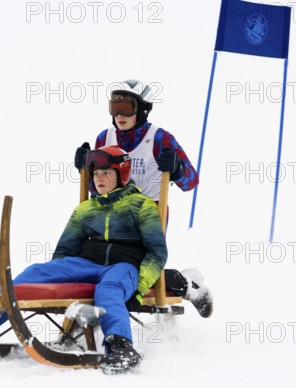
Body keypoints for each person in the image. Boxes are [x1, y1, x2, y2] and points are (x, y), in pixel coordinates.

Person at [0, 146, 166, 374]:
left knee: (110, 289)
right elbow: (66, 249)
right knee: (32, 273)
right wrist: (58, 283)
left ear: (121, 174)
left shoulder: (141, 205)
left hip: (123, 265)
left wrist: (139, 288)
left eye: (106, 173)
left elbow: (157, 252)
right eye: (95, 174)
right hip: (85, 263)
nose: (99, 179)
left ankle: (121, 346)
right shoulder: (85, 209)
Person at [74, 79, 212, 318]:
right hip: (110, 211)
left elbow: (191, 181)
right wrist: (84, 169)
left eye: (126, 107)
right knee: (96, 262)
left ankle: (189, 286)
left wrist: (176, 168)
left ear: (142, 109)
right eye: (113, 107)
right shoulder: (104, 138)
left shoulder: (159, 138)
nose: (119, 114)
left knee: (133, 269)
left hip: (147, 212)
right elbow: (96, 188)